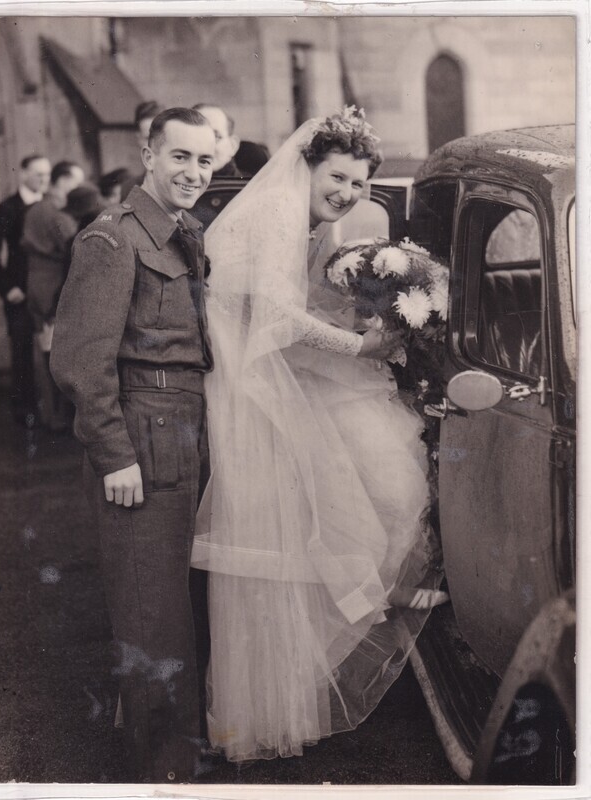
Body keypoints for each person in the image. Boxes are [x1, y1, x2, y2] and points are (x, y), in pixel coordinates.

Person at [190, 108, 446, 762]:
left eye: (359, 184)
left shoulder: (305, 220)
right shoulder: (277, 211)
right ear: (306, 165)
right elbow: (276, 316)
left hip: (268, 370)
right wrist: (362, 347)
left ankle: (287, 699)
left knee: (323, 523)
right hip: (250, 387)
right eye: (338, 177)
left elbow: (290, 310)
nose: (348, 193)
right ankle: (263, 711)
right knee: (308, 527)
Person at [50, 108, 216, 783]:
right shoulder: (111, 239)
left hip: (183, 430)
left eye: (205, 161)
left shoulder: (186, 234)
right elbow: (80, 362)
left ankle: (179, 751)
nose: (193, 173)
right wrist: (114, 454)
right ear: (148, 154)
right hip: (142, 440)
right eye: (180, 157)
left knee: (175, 605)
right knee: (152, 616)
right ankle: (164, 771)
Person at [0, 153, 51, 425]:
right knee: (22, 350)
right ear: (23, 174)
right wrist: (6, 288)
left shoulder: (50, 206)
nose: (43, 180)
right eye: (38, 174)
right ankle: (25, 409)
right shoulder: (8, 208)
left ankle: (52, 410)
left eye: (47, 175)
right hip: (20, 291)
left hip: (47, 291)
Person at [21, 160, 84, 431]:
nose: (80, 187)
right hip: (54, 287)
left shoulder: (36, 210)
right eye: (76, 181)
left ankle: (51, 416)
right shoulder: (56, 214)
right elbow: (75, 244)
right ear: (62, 181)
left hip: (36, 284)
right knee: (58, 354)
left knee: (46, 350)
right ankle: (61, 418)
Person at [190, 104, 242, 230]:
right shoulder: (169, 193)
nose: (205, 147)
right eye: (196, 137)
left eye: (215, 137)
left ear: (233, 145)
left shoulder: (249, 192)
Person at [120, 100, 165, 200]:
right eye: (147, 138)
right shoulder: (129, 189)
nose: (153, 145)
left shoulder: (183, 182)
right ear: (138, 138)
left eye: (158, 137)